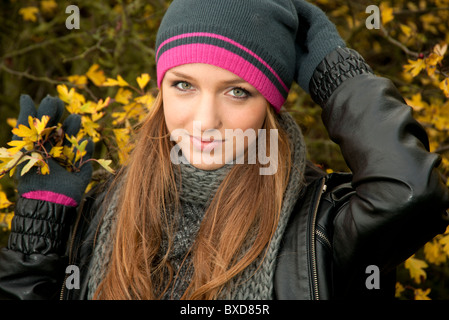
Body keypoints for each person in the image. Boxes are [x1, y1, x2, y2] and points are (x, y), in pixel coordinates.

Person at [1, 0, 448, 300]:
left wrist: (335, 72)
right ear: (161, 90)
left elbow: (411, 194)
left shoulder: (319, 226)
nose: (203, 121)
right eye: (183, 86)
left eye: (237, 92)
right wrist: (39, 232)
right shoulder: (103, 208)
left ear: (270, 105)